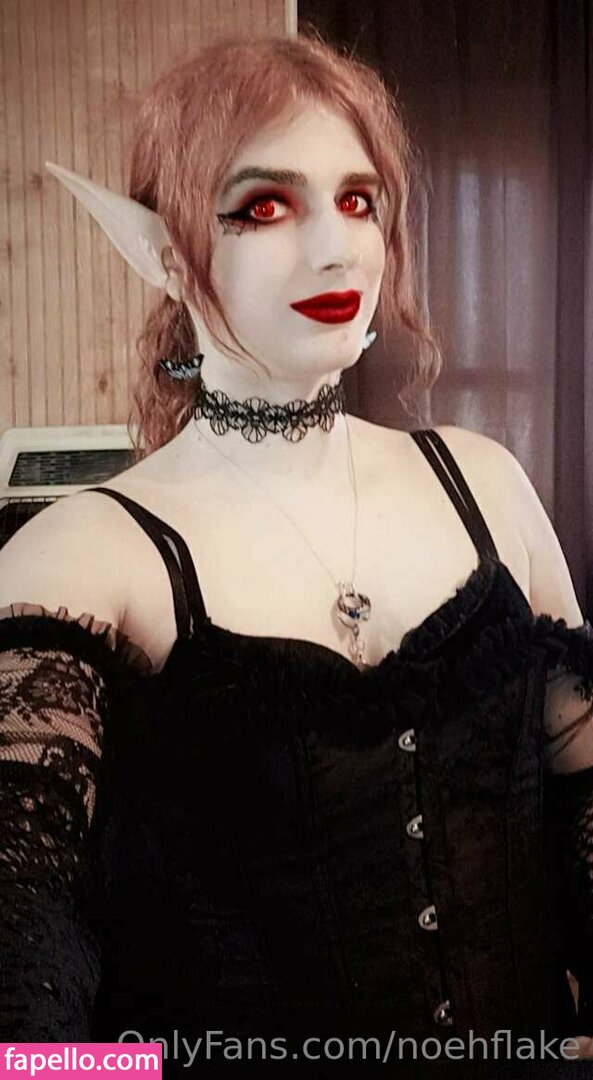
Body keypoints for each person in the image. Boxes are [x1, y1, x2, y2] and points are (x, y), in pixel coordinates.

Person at [0, 30, 592, 1078]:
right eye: (266, 206)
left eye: (358, 200)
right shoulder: (81, 559)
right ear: (165, 250)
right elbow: (24, 1021)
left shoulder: (487, 486)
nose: (337, 250)